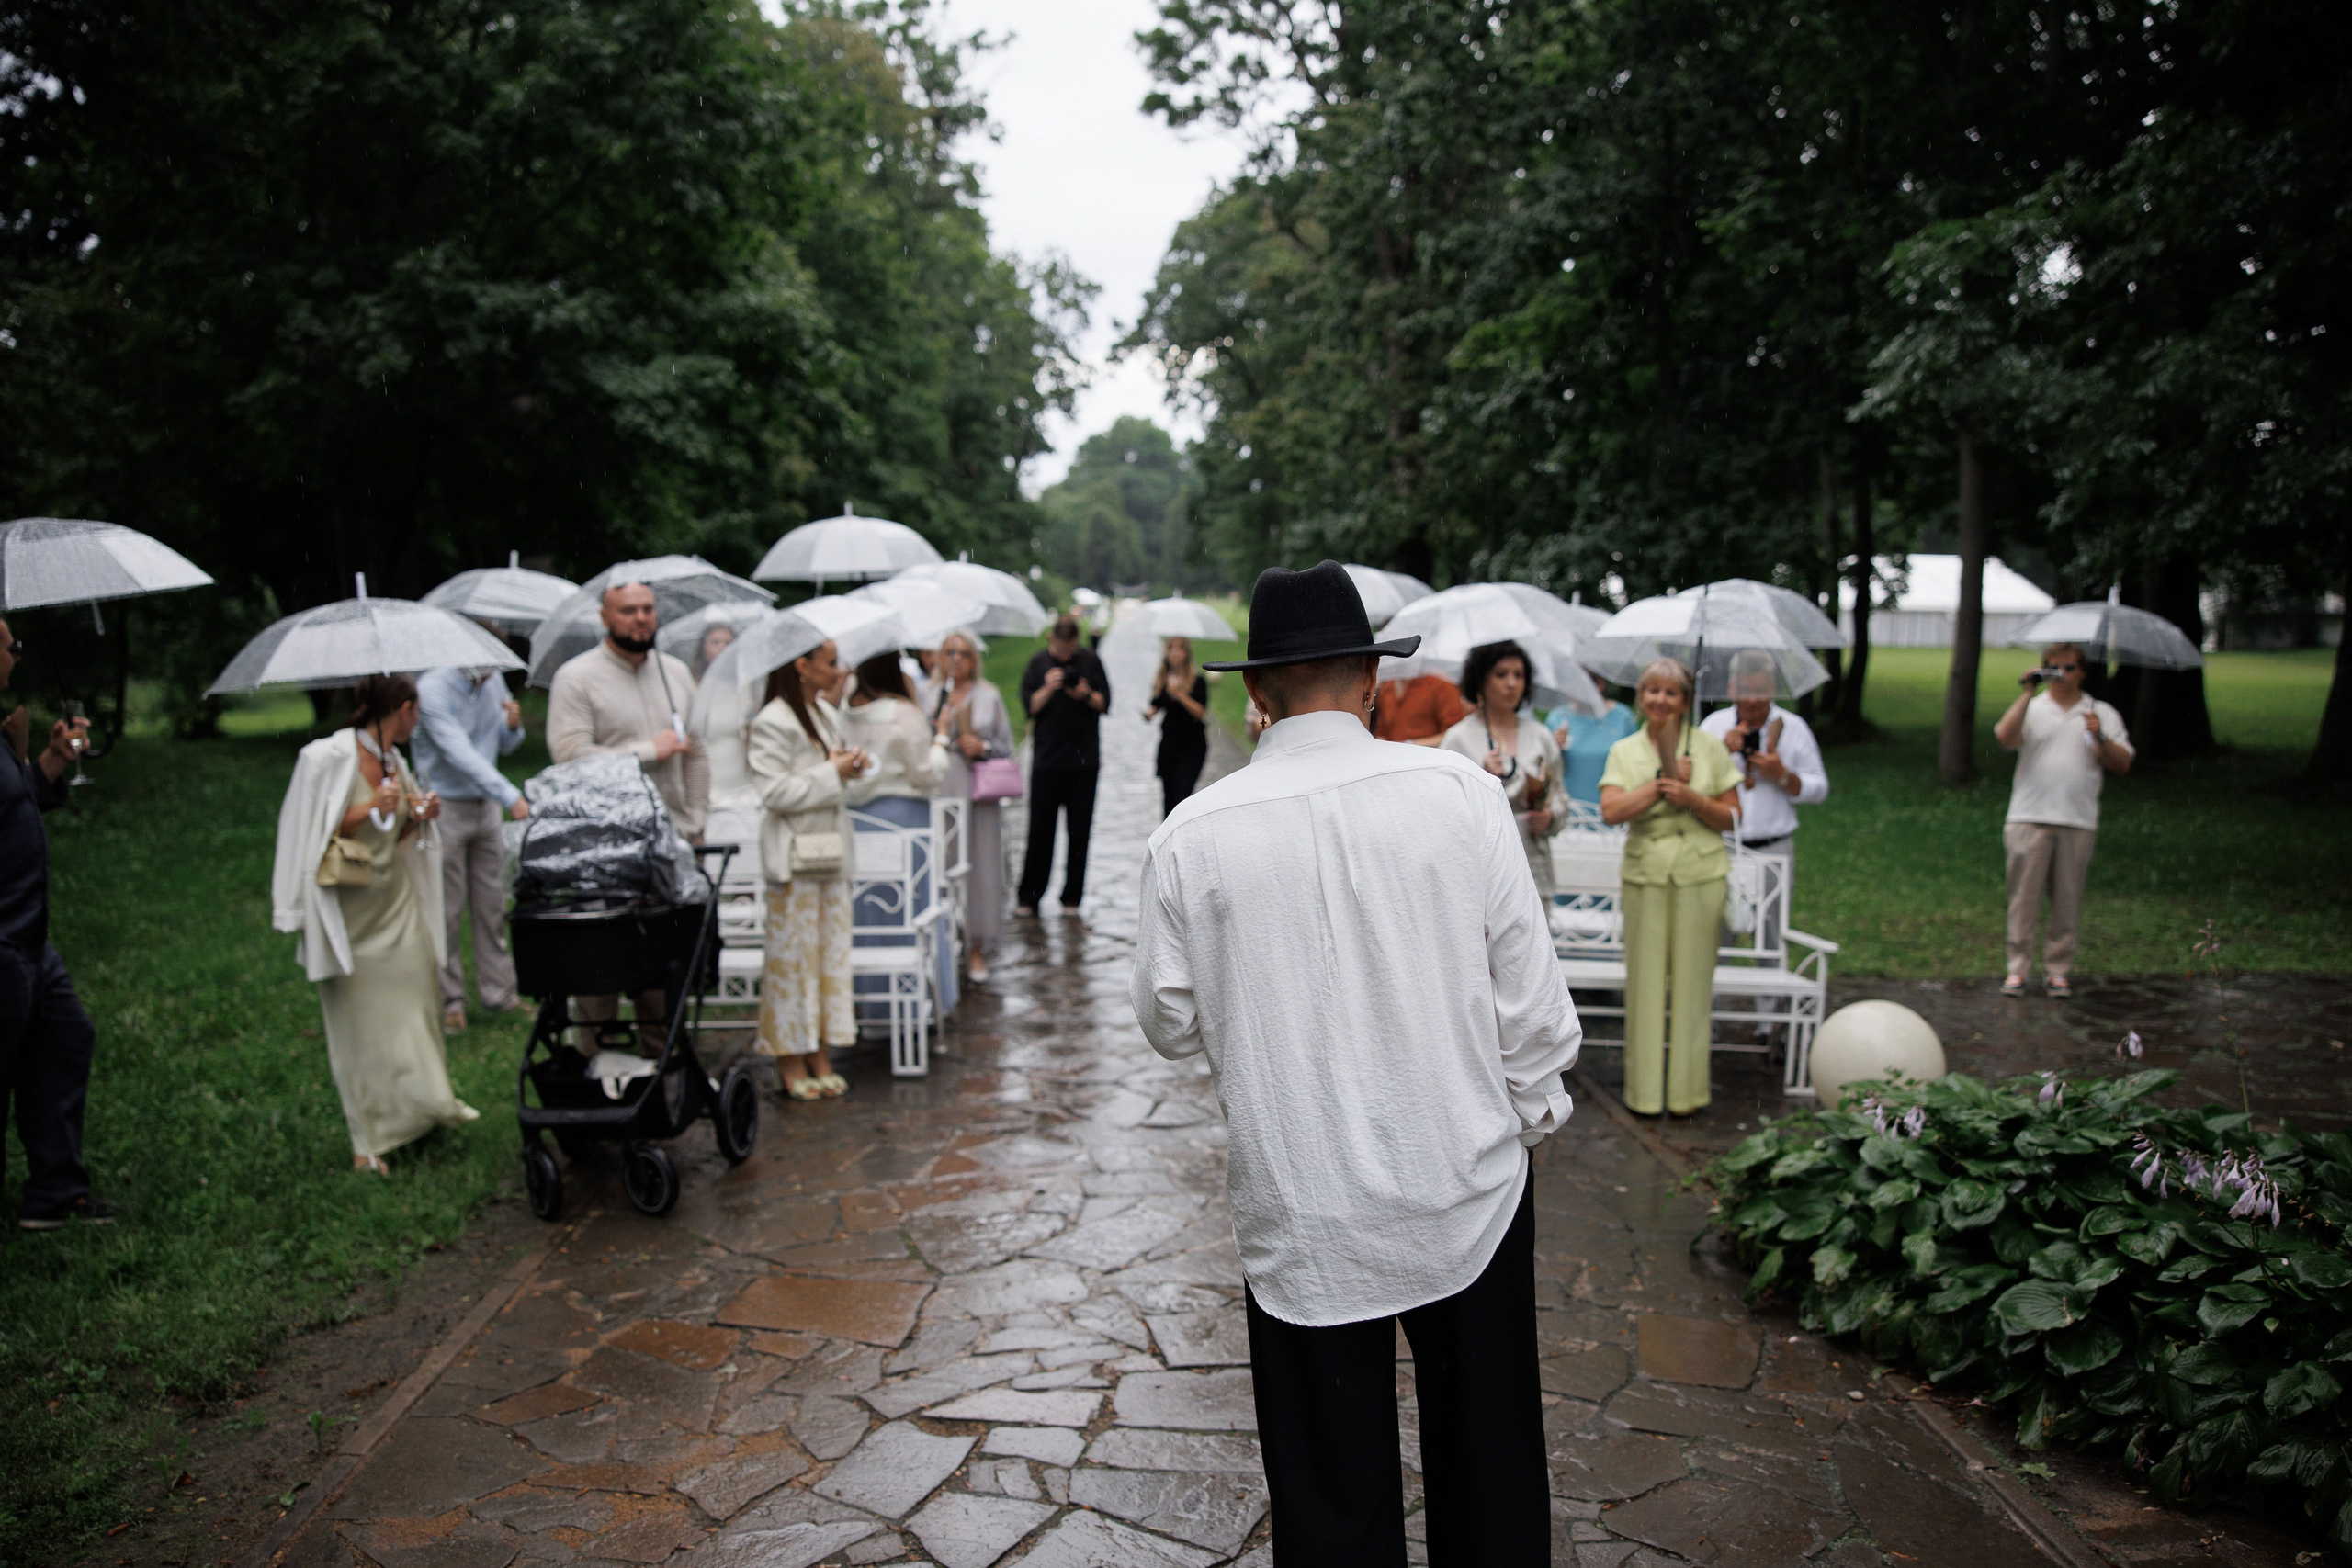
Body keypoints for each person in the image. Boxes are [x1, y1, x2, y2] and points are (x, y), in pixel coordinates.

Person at [1133, 561, 1579, 1567]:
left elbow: (1168, 1021)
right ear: (1372, 678)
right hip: (1466, 1178)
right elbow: (1535, 1010)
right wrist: (1526, 1120)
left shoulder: (1189, 837)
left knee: (1332, 1495)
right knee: (1492, 1465)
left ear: (1256, 692)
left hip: (1303, 1199)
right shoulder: (1461, 796)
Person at [271, 674, 479, 1174]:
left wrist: (418, 813)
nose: (417, 721)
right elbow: (309, 830)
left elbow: (396, 832)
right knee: (359, 1025)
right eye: (416, 712)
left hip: (395, 902)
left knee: (416, 1005)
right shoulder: (325, 757)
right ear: (404, 709)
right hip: (348, 910)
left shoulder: (395, 761)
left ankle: (422, 1109)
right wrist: (368, 808)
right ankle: (367, 1141)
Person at [547, 581, 709, 1048]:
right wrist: (646, 751)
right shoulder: (577, 677)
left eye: (647, 609)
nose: (640, 618)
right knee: (602, 963)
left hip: (669, 840)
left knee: (664, 962)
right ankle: (595, 1062)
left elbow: (697, 751)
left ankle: (664, 1063)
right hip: (602, 846)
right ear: (605, 617)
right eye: (628, 610)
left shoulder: (675, 673)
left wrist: (696, 819)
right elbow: (569, 757)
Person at [0, 620, 113, 1229]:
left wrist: (48, 759)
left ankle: (55, 1191)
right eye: (10, 646)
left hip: (31, 940)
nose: (18, 656)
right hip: (4, 943)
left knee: (65, 1039)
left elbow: (18, 799)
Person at [1599, 658, 1743, 1117]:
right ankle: (1644, 1094)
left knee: (1693, 986)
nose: (1660, 699)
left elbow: (1733, 816)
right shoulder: (1624, 750)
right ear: (1641, 697)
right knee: (1644, 985)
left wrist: (1693, 798)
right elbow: (1612, 810)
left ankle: (1686, 1095)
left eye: (1671, 692)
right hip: (1647, 874)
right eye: (1653, 690)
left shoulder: (1709, 747)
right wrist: (1660, 785)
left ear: (1685, 701)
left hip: (1702, 873)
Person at [747, 638, 866, 1100]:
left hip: (830, 854)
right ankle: (790, 1057)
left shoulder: (824, 713)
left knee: (828, 958)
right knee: (794, 961)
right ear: (802, 665)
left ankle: (821, 1052)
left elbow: (828, 778)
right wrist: (832, 773)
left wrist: (850, 768)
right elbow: (774, 793)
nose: (839, 670)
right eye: (831, 662)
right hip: (794, 860)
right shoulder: (772, 720)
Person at [1993, 641, 2133, 998]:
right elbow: (2005, 736)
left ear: (2083, 672)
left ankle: (2057, 970)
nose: (2061, 675)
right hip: (2029, 816)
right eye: (2053, 667)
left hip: (2076, 818)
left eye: (2069, 668)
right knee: (2023, 899)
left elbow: (2122, 764)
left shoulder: (2100, 712)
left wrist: (2099, 735)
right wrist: (2027, 692)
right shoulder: (2033, 708)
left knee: (2067, 901)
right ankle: (2017, 970)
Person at [841, 649, 956, 1018]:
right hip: (903, 819)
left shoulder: (844, 711)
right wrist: (941, 740)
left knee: (868, 912)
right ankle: (914, 1004)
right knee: (912, 907)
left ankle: (871, 1004)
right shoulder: (901, 713)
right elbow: (926, 774)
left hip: (857, 821)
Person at [413, 662, 527, 1032]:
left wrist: (513, 727)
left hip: (486, 805)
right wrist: (510, 795)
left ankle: (500, 993)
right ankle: (449, 1000)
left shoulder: (493, 682)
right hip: (444, 805)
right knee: (446, 908)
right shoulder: (432, 689)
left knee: (492, 904)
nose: (491, 670)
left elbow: (504, 745)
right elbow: (457, 751)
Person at [1697, 648, 1829, 953]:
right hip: (1721, 847)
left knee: (1772, 939)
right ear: (1731, 688)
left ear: (1773, 689)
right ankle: (1714, 986)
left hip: (1773, 850)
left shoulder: (1793, 728)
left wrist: (1784, 776)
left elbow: (1820, 788)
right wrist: (1722, 751)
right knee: (1713, 939)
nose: (1753, 699)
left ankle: (1771, 985)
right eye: (1745, 690)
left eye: (1761, 690)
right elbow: (1692, 785)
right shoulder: (1713, 727)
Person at [1442, 641, 1569, 900]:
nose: (1511, 683)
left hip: (1532, 864)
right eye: (1501, 674)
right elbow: (1443, 807)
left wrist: (1549, 817)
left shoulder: (1540, 735)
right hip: (1480, 870)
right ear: (1481, 679)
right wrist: (1481, 777)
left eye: (1518, 675)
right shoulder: (1458, 738)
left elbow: (1560, 796)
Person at [928, 630, 1015, 985]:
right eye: (950, 652)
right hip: (942, 784)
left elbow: (1006, 745)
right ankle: (945, 943)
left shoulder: (988, 695)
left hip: (977, 789)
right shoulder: (928, 693)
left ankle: (977, 943)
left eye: (964, 653)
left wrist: (983, 746)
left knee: (979, 863)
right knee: (943, 862)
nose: (956, 660)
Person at [1014, 615, 1111, 916]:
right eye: (1060, 648)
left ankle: (1072, 898)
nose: (1065, 654)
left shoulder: (1091, 661)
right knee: (1040, 832)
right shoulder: (1037, 663)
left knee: (1079, 833)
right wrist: (1048, 687)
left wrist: (1085, 694)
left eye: (1070, 649)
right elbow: (1029, 707)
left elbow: (1105, 703)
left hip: (1084, 761)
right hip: (1047, 761)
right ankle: (1030, 896)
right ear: (1051, 639)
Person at [691, 620, 760, 810]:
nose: (722, 648)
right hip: (707, 779)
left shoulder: (745, 688)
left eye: (728, 643)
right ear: (703, 648)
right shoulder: (692, 687)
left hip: (740, 778)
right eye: (715, 642)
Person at [1144, 636, 1211, 815]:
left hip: (1191, 745)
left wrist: (1180, 695)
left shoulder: (1197, 681)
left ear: (1187, 654)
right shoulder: (1163, 680)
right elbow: (1157, 703)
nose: (1175, 653)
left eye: (1180, 648)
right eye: (1171, 648)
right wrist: (1149, 713)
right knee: (1168, 796)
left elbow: (1200, 713)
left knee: (1182, 796)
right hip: (1169, 743)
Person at [1551, 690, 1639, 813]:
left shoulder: (1624, 717)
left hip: (1612, 813)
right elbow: (1545, 771)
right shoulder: (1558, 717)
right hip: (1568, 811)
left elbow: (1635, 766)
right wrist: (1554, 747)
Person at [1372, 671, 1469, 747]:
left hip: (1429, 759)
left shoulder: (1441, 686)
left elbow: (1455, 734)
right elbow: (1382, 731)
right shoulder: (1387, 688)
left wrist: (1411, 744)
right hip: (1394, 758)